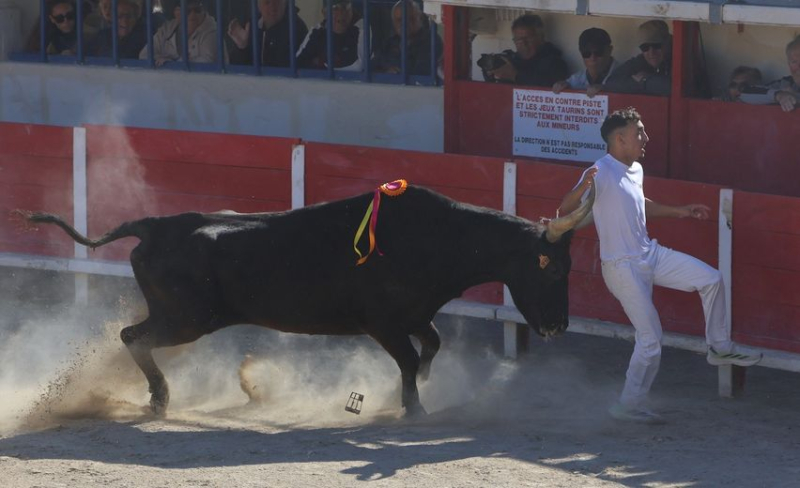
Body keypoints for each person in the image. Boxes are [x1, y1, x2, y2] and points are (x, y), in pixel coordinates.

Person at [558, 107, 762, 425]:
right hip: (621, 267)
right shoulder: (600, 171)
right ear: (620, 138)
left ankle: (719, 347)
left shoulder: (635, 169)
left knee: (711, 279)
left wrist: (680, 211)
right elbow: (565, 206)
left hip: (649, 254)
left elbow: (640, 205)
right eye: (639, 131)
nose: (645, 137)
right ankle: (629, 405)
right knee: (651, 338)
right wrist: (585, 187)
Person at [479, 14, 568, 87]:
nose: (523, 44)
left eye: (528, 39)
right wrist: (491, 74)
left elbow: (546, 90)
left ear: (541, 37)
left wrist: (514, 75)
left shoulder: (555, 63)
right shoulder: (511, 61)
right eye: (518, 40)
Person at [227, 0, 309, 67]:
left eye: (277, 1)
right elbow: (237, 70)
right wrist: (242, 48)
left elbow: (302, 67)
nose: (273, 7)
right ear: (259, 6)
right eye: (267, 2)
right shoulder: (251, 26)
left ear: (285, 3)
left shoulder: (297, 28)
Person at [372, 0, 443, 76]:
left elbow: (422, 73)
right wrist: (386, 71)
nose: (404, 23)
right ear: (393, 22)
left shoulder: (431, 41)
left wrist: (396, 74)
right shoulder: (390, 43)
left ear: (420, 18)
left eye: (410, 19)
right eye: (399, 20)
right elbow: (371, 67)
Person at [140, 0, 218, 66]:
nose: (193, 15)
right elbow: (144, 55)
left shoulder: (212, 30)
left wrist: (170, 63)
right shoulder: (166, 29)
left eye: (198, 10)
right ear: (176, 12)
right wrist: (159, 59)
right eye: (187, 11)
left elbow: (207, 62)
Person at [296, 0, 368, 71]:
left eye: (345, 7)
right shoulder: (317, 31)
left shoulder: (363, 29)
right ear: (324, 13)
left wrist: (320, 62)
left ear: (351, 9)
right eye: (335, 8)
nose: (341, 12)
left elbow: (358, 67)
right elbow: (297, 63)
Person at [605, 20, 672, 96]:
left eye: (656, 46)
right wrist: (648, 84)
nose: (651, 52)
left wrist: (645, 80)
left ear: (667, 43)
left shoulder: (679, 58)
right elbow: (611, 83)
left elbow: (673, 88)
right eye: (645, 47)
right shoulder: (643, 59)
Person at [552, 27, 618, 98]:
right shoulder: (577, 79)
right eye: (587, 53)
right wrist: (561, 86)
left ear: (609, 50)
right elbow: (564, 86)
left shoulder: (624, 75)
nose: (592, 58)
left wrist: (608, 89)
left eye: (599, 52)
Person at [743, 36, 800, 111]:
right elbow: (743, 93)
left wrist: (796, 98)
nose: (799, 67)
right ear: (789, 65)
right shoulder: (786, 83)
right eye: (794, 62)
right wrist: (779, 95)